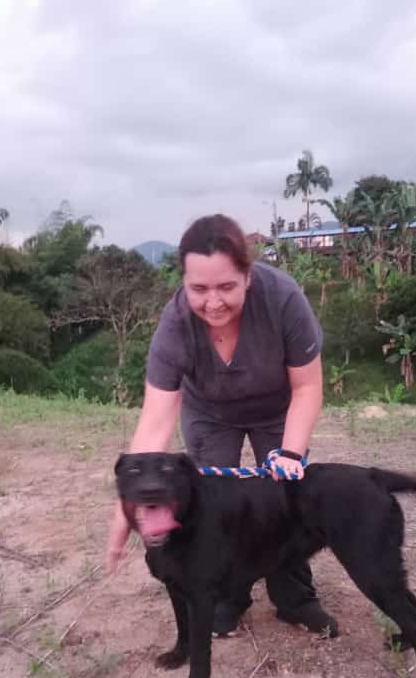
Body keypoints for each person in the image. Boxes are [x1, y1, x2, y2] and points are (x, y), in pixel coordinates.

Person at [106, 213, 336, 637]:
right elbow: (156, 417)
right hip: (209, 414)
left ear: (248, 276)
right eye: (199, 289)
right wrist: (130, 496)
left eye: (227, 287)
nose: (213, 302)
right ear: (184, 281)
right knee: (214, 506)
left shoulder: (283, 299)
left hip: (277, 410)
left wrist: (289, 454)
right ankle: (229, 596)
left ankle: (295, 598)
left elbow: (307, 387)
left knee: (283, 503)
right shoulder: (175, 324)